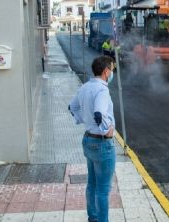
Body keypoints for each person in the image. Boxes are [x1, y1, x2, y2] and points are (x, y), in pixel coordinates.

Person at [68, 56, 116, 222]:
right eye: (112, 69)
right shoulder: (102, 90)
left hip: (88, 140)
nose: (112, 72)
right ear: (105, 71)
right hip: (102, 144)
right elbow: (99, 113)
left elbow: (71, 107)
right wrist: (105, 131)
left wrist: (83, 119)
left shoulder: (85, 87)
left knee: (92, 184)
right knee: (103, 190)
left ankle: (93, 218)